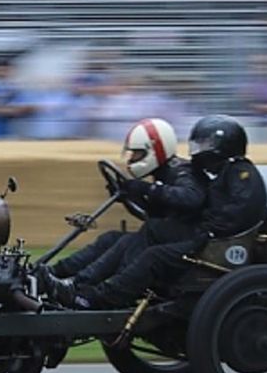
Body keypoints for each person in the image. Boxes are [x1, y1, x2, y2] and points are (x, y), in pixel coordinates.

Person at [55, 115, 267, 310]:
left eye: (205, 144)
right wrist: (132, 195)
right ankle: (63, 275)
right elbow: (160, 211)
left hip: (213, 242)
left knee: (152, 250)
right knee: (114, 238)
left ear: (225, 145)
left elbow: (198, 202)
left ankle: (100, 293)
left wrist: (148, 190)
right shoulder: (225, 173)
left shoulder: (234, 173)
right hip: (206, 236)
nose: (198, 150)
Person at [36, 117, 205, 297]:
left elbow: (190, 198)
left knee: (130, 240)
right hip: (169, 237)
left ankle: (79, 284)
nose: (132, 159)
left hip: (188, 241)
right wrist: (128, 197)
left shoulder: (182, 171)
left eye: (138, 154)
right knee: (110, 239)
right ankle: (55, 273)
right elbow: (152, 213)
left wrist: (146, 189)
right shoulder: (162, 174)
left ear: (155, 150)